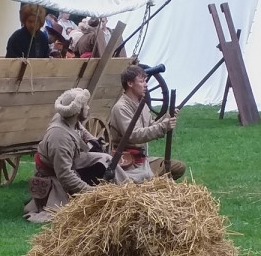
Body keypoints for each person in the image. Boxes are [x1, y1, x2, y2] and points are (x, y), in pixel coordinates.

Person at [24, 88, 127, 223]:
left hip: (72, 160)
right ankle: (104, 194)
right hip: (54, 176)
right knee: (68, 213)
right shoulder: (59, 138)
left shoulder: (68, 119)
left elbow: (79, 128)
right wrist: (93, 193)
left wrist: (92, 140)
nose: (88, 107)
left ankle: (126, 191)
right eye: (86, 105)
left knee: (106, 159)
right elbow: (65, 176)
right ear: (78, 110)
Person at [107, 65, 185, 182]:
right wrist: (164, 126)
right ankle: (149, 183)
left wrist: (167, 117)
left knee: (179, 167)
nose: (146, 84)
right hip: (129, 165)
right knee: (152, 181)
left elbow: (151, 126)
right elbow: (133, 135)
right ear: (130, 84)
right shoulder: (121, 108)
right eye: (141, 81)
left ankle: (152, 182)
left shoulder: (142, 104)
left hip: (143, 160)